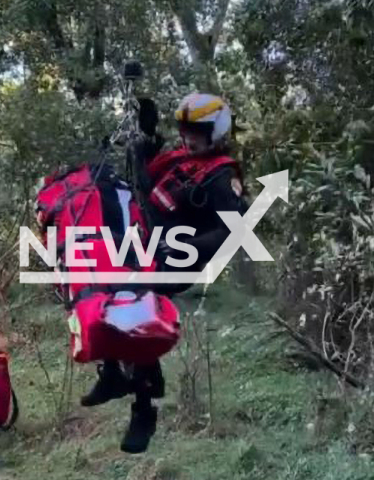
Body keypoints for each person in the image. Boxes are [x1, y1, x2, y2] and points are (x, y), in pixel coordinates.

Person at [80, 93, 249, 454]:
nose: (189, 137)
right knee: (97, 283)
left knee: (134, 308)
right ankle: (111, 371)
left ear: (216, 132)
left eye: (197, 131)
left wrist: (182, 248)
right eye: (185, 129)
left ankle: (144, 409)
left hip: (180, 258)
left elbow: (232, 233)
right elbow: (142, 178)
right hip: (146, 244)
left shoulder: (222, 175)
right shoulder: (176, 160)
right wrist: (145, 133)